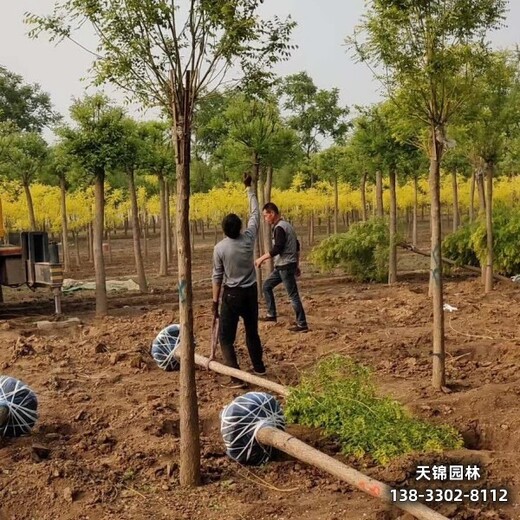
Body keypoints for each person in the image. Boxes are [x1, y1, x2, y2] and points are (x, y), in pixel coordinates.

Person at [212, 173, 266, 388]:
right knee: (252, 331)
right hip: (250, 292)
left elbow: (217, 276)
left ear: (224, 230)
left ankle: (235, 377)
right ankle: (259, 368)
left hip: (231, 295)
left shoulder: (219, 248)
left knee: (226, 337)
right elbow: (255, 213)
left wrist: (214, 302)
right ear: (241, 227)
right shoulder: (249, 238)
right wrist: (249, 188)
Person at [255, 202, 308, 333]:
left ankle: (302, 324)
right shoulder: (287, 225)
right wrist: (296, 264)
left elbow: (278, 248)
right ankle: (271, 314)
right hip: (284, 265)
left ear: (272, 213)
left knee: (292, 295)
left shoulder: (280, 228)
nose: (265, 219)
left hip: (285, 265)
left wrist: (261, 258)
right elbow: (297, 246)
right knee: (266, 286)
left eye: (266, 216)